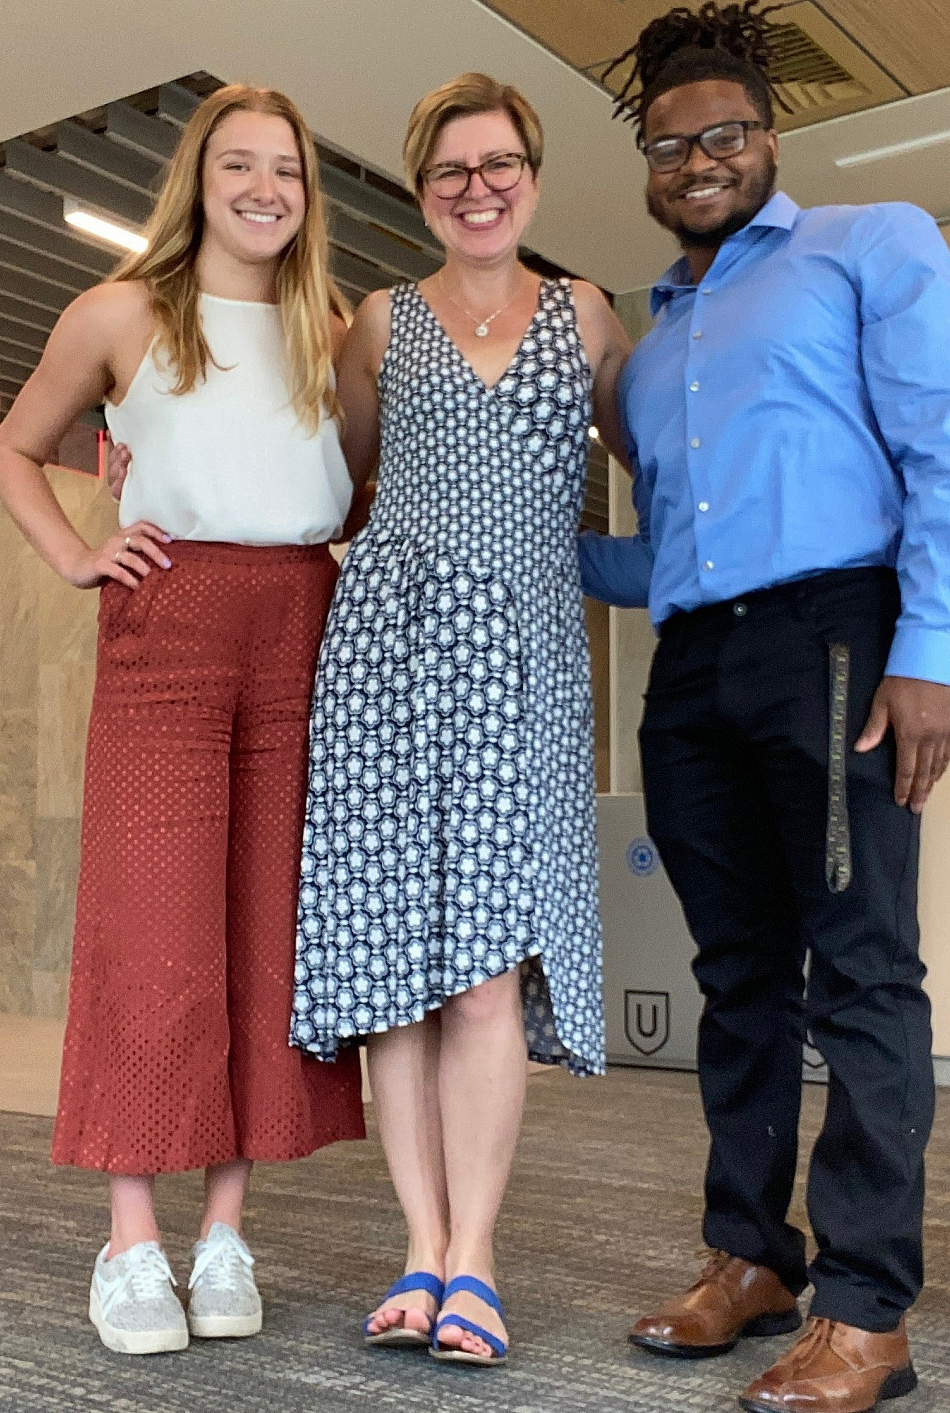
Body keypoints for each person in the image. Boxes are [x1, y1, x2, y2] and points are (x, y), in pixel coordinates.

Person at [580, 2, 950, 1413]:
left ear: (770, 136)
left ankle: (867, 1308)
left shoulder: (869, 243)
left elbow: (946, 446)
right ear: (647, 159)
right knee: (737, 973)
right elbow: (666, 552)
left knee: (860, 965)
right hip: (691, 660)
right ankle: (751, 1253)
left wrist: (927, 645)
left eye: (724, 133)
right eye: (669, 140)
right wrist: (517, 549)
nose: (697, 156)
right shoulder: (659, 334)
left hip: (834, 631)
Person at [0, 83, 365, 1357]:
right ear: (197, 180)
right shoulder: (119, 312)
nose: (266, 189)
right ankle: (131, 1242)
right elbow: (12, 450)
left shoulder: (333, 325)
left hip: (300, 619)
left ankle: (225, 1235)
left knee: (265, 934)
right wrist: (76, 556)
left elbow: (350, 478)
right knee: (152, 930)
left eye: (289, 172)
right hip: (169, 618)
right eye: (240, 166)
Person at [288, 73, 632, 1365]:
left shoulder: (588, 315)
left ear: (534, 178)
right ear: (421, 188)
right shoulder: (378, 319)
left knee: (486, 969)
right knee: (394, 978)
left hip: (526, 665)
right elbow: (342, 471)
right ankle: (419, 1245)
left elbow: (660, 460)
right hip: (384, 656)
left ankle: (475, 1255)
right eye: (451, 172)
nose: (477, 189)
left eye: (499, 167)